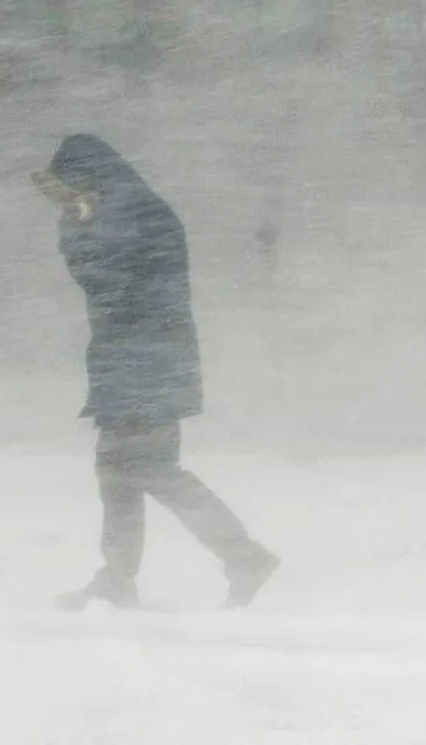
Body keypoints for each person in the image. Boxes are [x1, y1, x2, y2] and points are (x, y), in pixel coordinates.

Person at [35, 135, 278, 610]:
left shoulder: (132, 212)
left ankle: (242, 556)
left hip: (147, 361)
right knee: (116, 472)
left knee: (148, 468)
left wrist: (78, 227)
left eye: (68, 188)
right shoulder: (123, 208)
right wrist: (79, 222)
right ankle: (118, 577)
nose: (65, 199)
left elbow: (109, 282)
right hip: (133, 360)